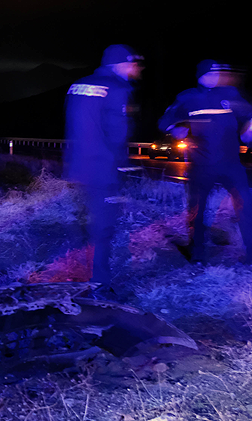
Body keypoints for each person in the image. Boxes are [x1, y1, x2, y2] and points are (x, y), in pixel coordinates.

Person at [159, 59, 252, 265]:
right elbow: (165, 121)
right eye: (210, 74)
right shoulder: (187, 97)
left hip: (231, 164)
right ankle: (197, 253)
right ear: (200, 76)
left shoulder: (229, 94)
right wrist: (175, 130)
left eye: (217, 74)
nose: (214, 77)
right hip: (201, 165)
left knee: (246, 206)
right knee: (197, 209)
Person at [64, 44, 144, 298]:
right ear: (120, 64)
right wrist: (123, 164)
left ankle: (85, 271)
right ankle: (100, 285)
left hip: (79, 165)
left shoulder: (78, 85)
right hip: (104, 167)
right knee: (104, 227)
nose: (135, 69)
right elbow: (118, 130)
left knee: (90, 220)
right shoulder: (118, 88)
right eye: (132, 64)